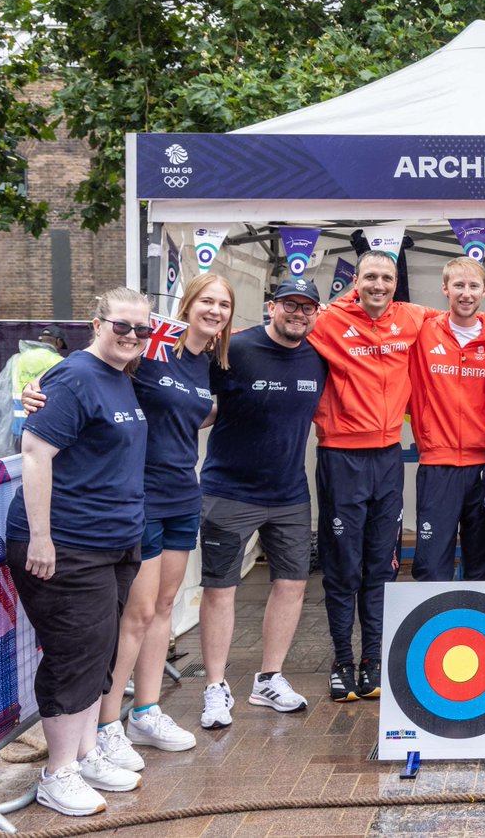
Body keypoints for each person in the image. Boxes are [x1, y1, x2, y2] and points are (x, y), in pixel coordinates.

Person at [23, 276, 236, 765]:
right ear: (186, 306)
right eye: (206, 300)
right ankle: (105, 723)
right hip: (138, 499)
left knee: (164, 607)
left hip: (184, 494)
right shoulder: (151, 349)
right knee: (135, 615)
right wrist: (41, 385)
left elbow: (200, 414)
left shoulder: (213, 364)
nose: (215, 310)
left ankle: (146, 710)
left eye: (224, 304)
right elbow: (95, 364)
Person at [308, 250, 485, 701]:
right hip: (345, 456)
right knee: (344, 567)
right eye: (370, 277)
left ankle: (376, 659)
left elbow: (470, 312)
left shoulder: (413, 319)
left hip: (391, 457)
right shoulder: (330, 320)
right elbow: (281, 330)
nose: (378, 285)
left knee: (383, 565)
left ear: (397, 284)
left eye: (386, 278)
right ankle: (343, 660)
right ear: (355, 281)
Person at [4, 287, 152, 816]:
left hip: (113, 543)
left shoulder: (121, 375)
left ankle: (85, 755)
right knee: (74, 656)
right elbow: (36, 453)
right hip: (68, 544)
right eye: (122, 326)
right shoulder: (75, 376)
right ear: (96, 324)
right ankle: (57, 772)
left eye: (142, 329)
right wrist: (42, 538)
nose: (132, 336)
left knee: (98, 653)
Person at [197, 278, 327, 729]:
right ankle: (215, 686)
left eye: (307, 307)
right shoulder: (232, 348)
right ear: (271, 306)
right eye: (290, 305)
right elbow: (181, 384)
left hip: (290, 492)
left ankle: (268, 678)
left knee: (292, 585)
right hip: (228, 491)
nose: (298, 313)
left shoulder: (319, 355)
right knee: (220, 589)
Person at [404, 258, 485, 587]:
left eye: (474, 286)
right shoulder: (423, 330)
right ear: (445, 288)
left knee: (480, 568)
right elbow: (388, 308)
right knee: (431, 567)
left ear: (484, 291)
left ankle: (477, 637)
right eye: (459, 285)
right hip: (438, 466)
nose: (466, 293)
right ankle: (432, 638)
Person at [0, 325, 65, 460]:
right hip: (44, 426)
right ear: (58, 342)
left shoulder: (18, 359)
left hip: (19, 424)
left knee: (21, 465)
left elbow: (2, 391)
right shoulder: (60, 362)